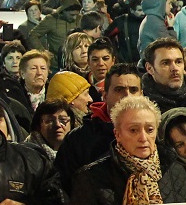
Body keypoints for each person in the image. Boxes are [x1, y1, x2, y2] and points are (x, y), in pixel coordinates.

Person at [54, 63, 145, 194]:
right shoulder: (77, 140)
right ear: (105, 95)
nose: (127, 96)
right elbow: (62, 188)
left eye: (133, 90)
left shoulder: (153, 135)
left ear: (141, 95)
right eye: (119, 90)